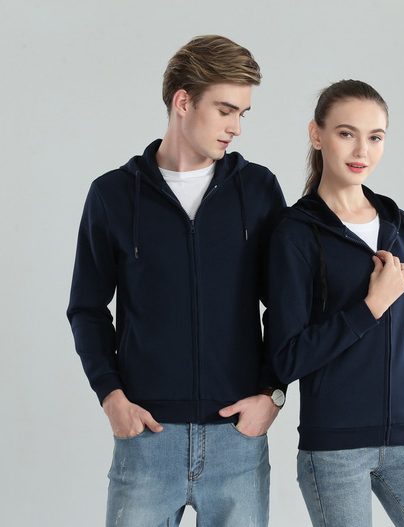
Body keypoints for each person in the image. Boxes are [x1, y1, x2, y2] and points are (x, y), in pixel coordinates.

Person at [67, 35, 286, 527]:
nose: (236, 127)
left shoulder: (258, 190)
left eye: (242, 114)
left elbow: (285, 304)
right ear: (183, 102)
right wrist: (111, 397)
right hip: (147, 437)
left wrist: (273, 393)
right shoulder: (113, 195)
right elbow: (86, 307)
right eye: (226, 110)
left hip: (237, 439)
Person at [268, 79, 404, 526]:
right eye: (346, 133)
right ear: (317, 135)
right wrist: (370, 307)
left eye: (375, 137)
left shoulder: (403, 228)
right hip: (334, 450)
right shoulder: (294, 234)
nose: (362, 150)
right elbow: (286, 358)